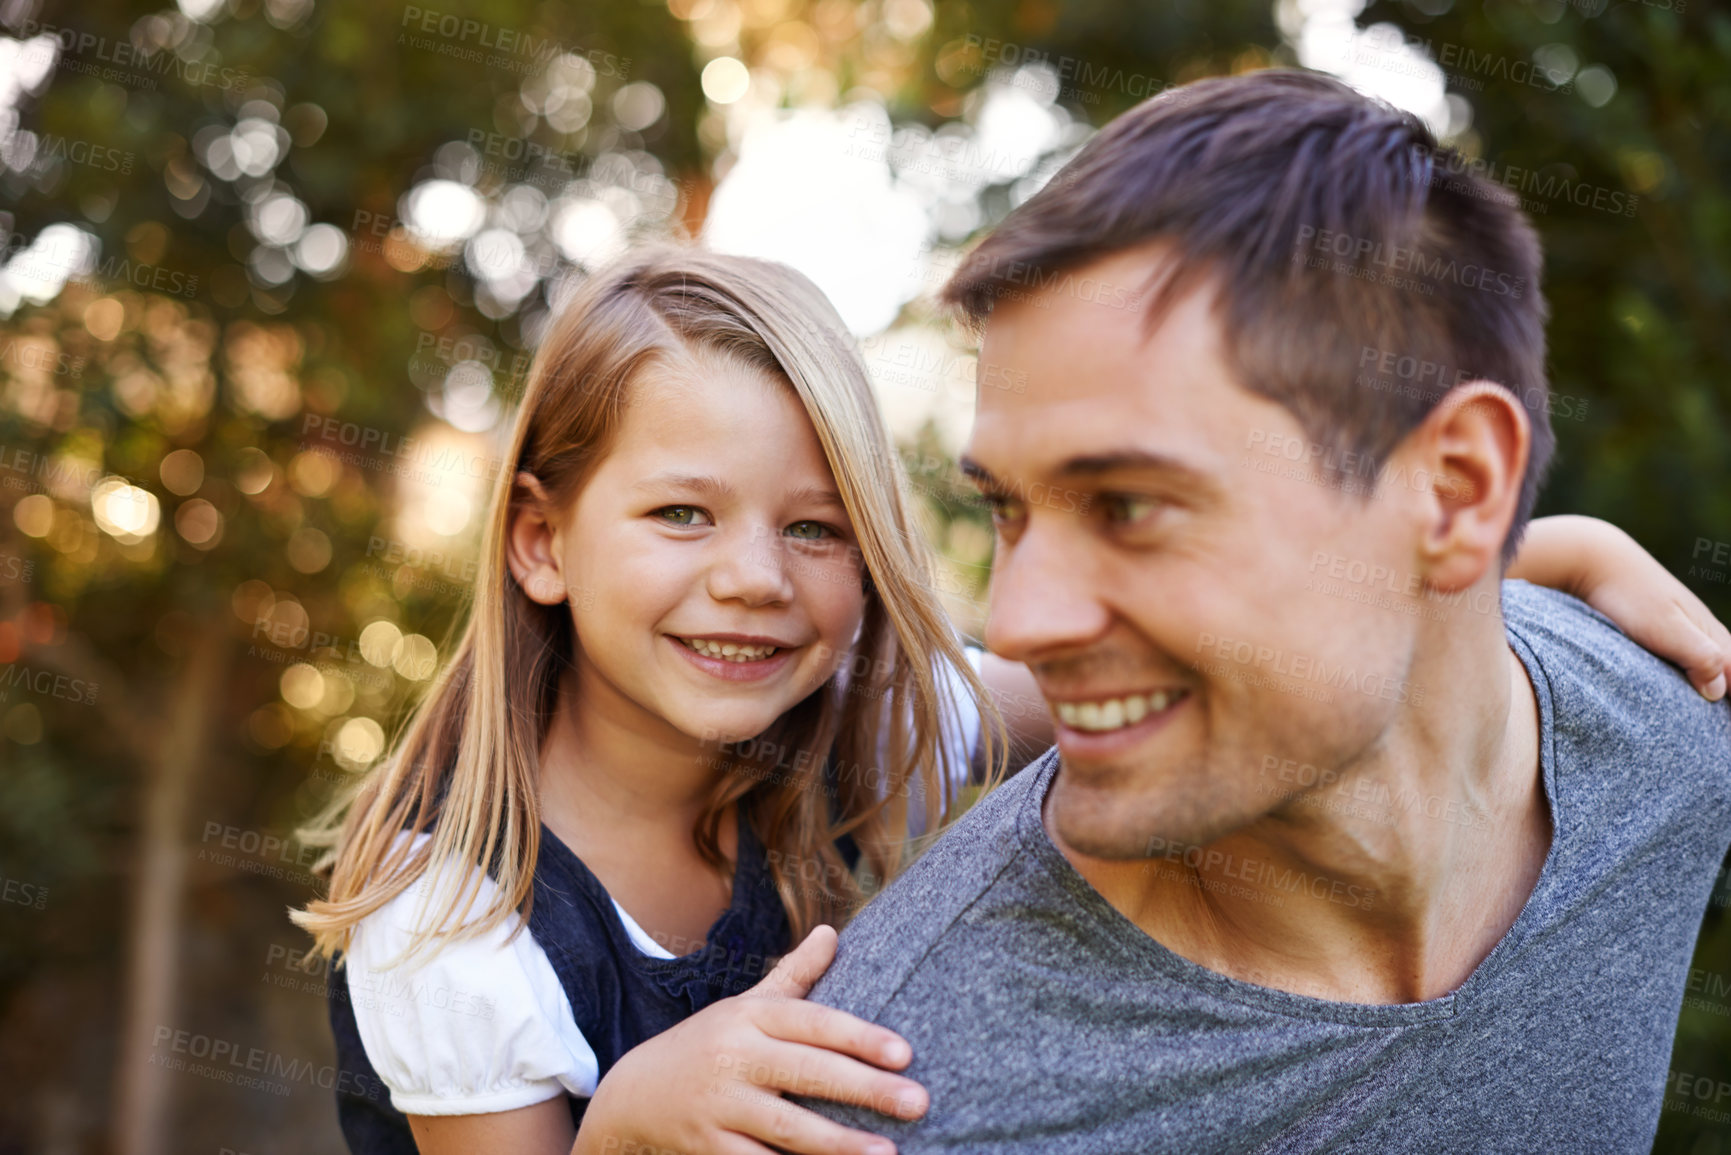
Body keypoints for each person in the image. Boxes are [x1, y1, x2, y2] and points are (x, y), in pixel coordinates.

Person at [299, 241, 1711, 1155]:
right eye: (680, 513)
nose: (752, 580)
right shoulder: (455, 918)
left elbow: (1188, 649)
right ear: (540, 539)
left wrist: (1526, 556)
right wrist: (619, 1132)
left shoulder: (887, 730)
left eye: (814, 527)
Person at [803, 70, 1731, 1152]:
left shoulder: (1671, 739)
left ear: (1459, 489)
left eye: (1131, 505)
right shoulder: (892, 1096)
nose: (1018, 626)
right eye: (1011, 510)